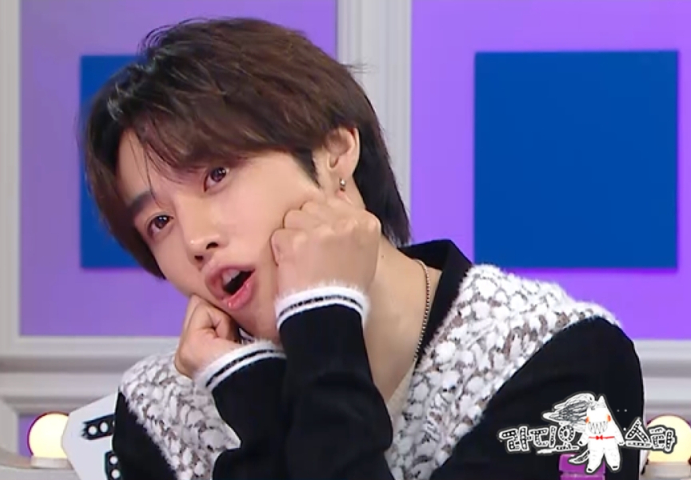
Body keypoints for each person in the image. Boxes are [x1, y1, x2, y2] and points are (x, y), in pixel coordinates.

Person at [82, 17, 644, 480]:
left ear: (335, 153)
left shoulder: (560, 359)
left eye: (217, 175)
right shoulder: (165, 411)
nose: (195, 240)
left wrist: (323, 326)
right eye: (159, 222)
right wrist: (253, 400)